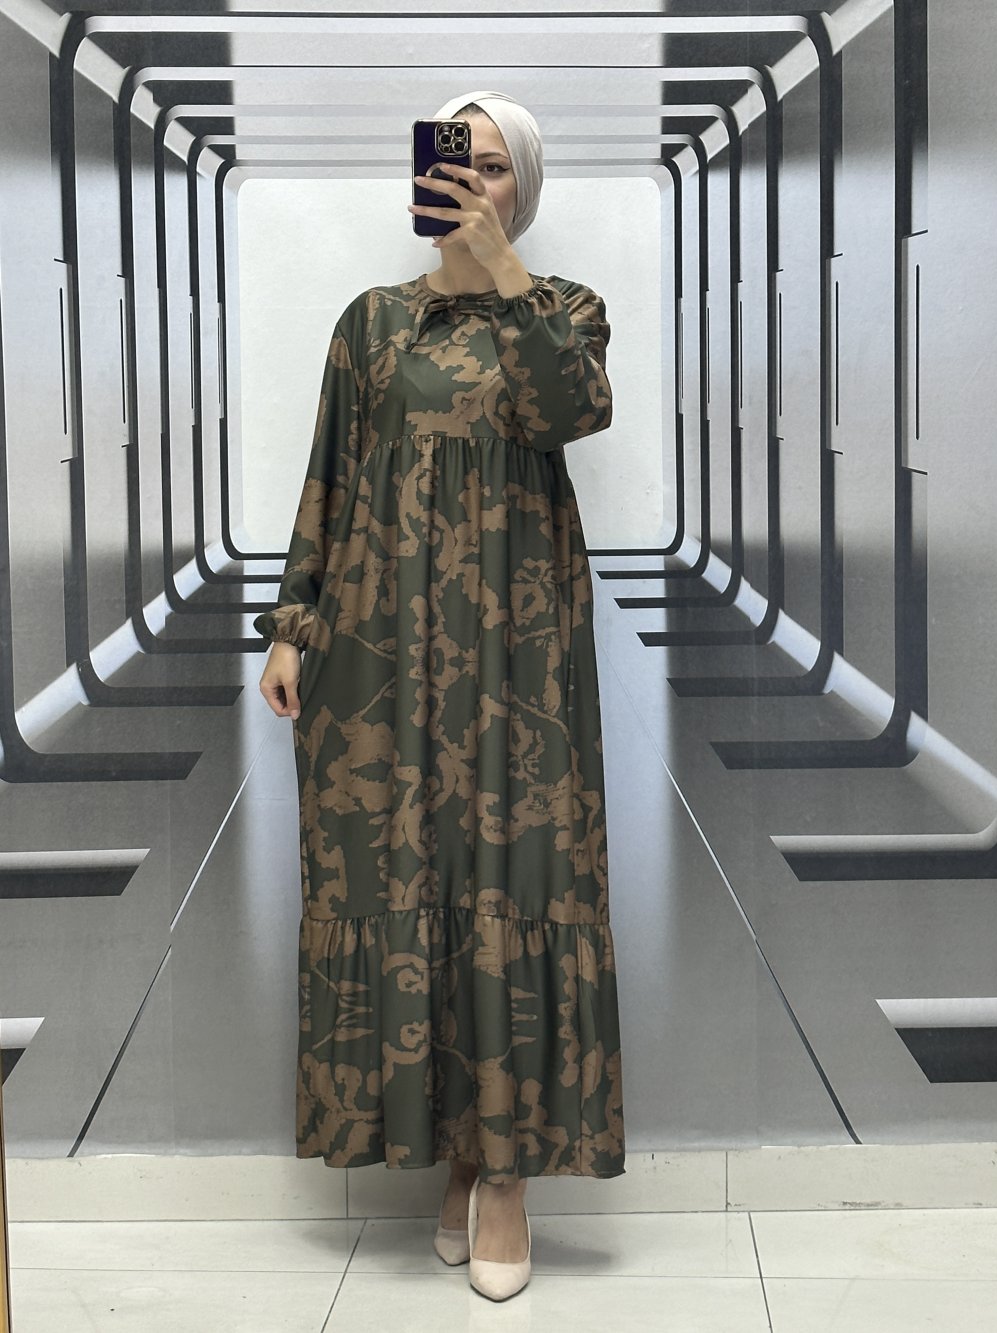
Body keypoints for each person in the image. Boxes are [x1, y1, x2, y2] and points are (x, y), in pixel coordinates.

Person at [255, 90, 625, 1302]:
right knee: (408, 874)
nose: (470, 182)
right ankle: (456, 1155)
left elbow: (572, 411)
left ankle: (505, 1174)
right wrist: (293, 627)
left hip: (521, 657)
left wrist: (504, 269)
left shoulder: (563, 310)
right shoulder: (371, 325)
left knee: (515, 878)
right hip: (381, 651)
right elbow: (329, 479)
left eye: (494, 166)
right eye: (454, 161)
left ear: (525, 185)